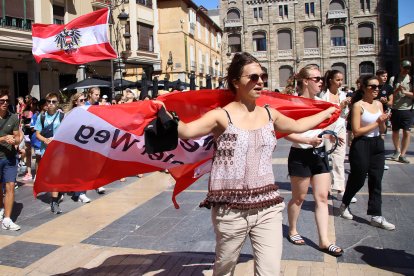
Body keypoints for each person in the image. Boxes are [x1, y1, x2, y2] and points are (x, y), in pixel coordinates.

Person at [164, 52, 336, 275]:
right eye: (253, 77)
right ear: (236, 81)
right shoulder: (221, 116)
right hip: (230, 210)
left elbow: (298, 125)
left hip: (267, 208)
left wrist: (328, 112)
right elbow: (186, 132)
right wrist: (162, 112)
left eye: (262, 76)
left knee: (269, 271)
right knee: (224, 269)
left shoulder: (269, 113)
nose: (260, 81)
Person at [284, 65, 343, 257]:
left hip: (319, 154)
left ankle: (324, 241)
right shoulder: (293, 103)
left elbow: (325, 127)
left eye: (321, 79)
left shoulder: (322, 103)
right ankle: (292, 229)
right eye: (316, 79)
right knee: (299, 198)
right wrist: (305, 140)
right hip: (300, 154)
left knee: (322, 198)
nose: (320, 82)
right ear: (305, 81)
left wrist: (331, 136)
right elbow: (284, 132)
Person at [338, 75, 395, 231]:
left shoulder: (378, 104)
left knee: (376, 179)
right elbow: (356, 131)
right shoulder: (358, 106)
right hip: (361, 144)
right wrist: (377, 122)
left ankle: (376, 215)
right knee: (358, 178)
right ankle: (345, 204)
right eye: (373, 87)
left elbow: (382, 129)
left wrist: (383, 123)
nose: (377, 89)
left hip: (377, 144)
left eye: (378, 87)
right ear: (364, 88)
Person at [320, 70, 355, 203]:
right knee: (327, 158)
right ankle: (326, 187)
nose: (340, 82)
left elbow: (344, 114)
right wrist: (340, 106)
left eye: (341, 79)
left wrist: (345, 107)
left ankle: (341, 189)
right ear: (330, 80)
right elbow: (325, 115)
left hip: (340, 127)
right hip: (328, 128)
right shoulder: (323, 96)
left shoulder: (343, 94)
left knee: (339, 159)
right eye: (337, 80)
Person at [35, 93, 65, 214]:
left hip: (59, 150)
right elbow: (37, 133)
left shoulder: (62, 116)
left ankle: (54, 200)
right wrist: (45, 140)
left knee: (55, 174)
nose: (51, 104)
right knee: (52, 175)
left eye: (53, 101)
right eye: (49, 101)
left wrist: (56, 139)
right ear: (46, 103)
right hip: (45, 150)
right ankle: (56, 194)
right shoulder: (41, 117)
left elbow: (66, 131)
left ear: (57, 103)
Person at [0, 90, 22, 230]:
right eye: (2, 101)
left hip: (10, 158)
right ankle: (1, 208)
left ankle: (7, 219)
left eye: (7, 101)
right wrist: (3, 138)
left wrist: (15, 140)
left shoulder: (13, 117)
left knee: (10, 185)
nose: (5, 103)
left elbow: (18, 137)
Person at [65, 93, 91, 203]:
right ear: (75, 102)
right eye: (81, 100)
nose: (84, 101)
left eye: (85, 100)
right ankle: (79, 192)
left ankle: (78, 191)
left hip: (85, 144)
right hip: (73, 145)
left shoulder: (88, 112)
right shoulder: (69, 114)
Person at [388, 60, 413, 164]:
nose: (407, 70)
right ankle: (397, 150)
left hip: (408, 109)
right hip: (396, 109)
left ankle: (403, 154)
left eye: (408, 68)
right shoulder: (393, 79)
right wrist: (397, 90)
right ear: (401, 67)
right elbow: (389, 94)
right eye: (405, 67)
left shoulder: (411, 79)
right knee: (395, 131)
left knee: (407, 132)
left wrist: (405, 92)